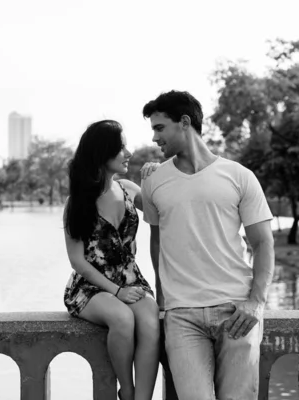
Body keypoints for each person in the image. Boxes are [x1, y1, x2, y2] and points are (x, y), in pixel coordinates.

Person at [140, 90, 275, 400]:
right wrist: (163, 305)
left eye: (159, 128)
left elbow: (263, 243)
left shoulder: (239, 176)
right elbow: (156, 243)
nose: (154, 138)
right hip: (182, 317)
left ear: (184, 122)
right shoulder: (154, 182)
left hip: (238, 311)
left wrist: (256, 301)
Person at [63, 120, 160, 400]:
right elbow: (77, 261)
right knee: (122, 317)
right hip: (90, 287)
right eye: (121, 148)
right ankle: (127, 392)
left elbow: (162, 208)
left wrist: (157, 177)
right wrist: (117, 291)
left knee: (150, 320)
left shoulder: (129, 189)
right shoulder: (78, 201)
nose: (128, 153)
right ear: (102, 153)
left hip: (131, 280)